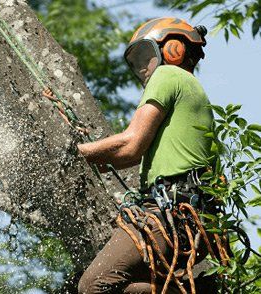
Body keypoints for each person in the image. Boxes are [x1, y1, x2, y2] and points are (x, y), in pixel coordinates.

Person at [76, 17, 217, 293]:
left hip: (172, 212)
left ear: (172, 49)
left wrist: (74, 152)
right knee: (124, 287)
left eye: (146, 56)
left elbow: (130, 145)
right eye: (136, 62)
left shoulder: (168, 75)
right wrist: (87, 154)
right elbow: (127, 157)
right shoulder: (190, 96)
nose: (142, 67)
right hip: (192, 219)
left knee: (93, 285)